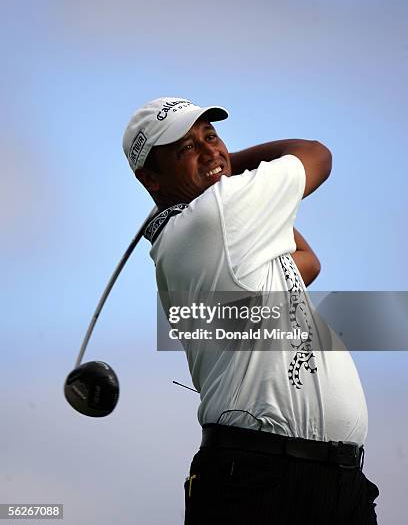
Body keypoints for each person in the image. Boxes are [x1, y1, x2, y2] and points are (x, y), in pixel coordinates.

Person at [123, 97, 379, 524]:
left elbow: (305, 263)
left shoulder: (207, 229)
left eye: (211, 137)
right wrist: (231, 165)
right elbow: (317, 154)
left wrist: (217, 169)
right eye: (186, 149)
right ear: (150, 178)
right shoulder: (216, 214)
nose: (209, 151)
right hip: (258, 475)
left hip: (334, 480)